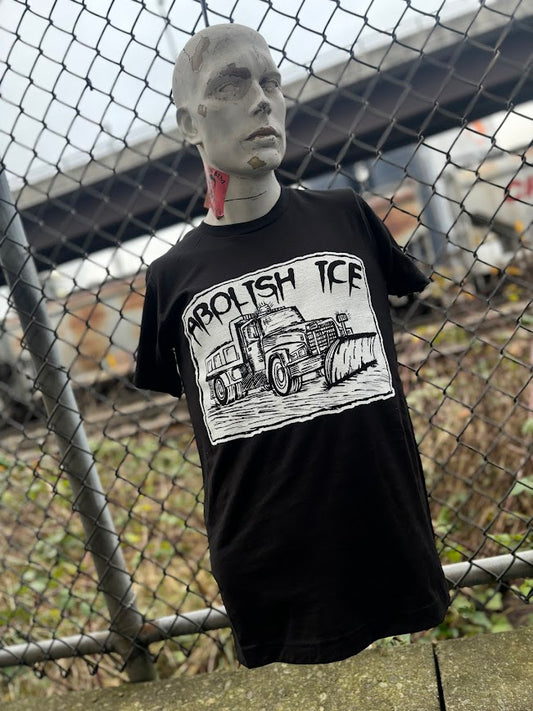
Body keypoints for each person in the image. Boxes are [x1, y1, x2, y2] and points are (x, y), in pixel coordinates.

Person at [134, 22, 450, 669]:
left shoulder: (347, 217)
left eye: (271, 82)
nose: (262, 100)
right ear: (190, 124)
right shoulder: (170, 278)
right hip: (265, 566)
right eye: (231, 84)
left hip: (384, 535)